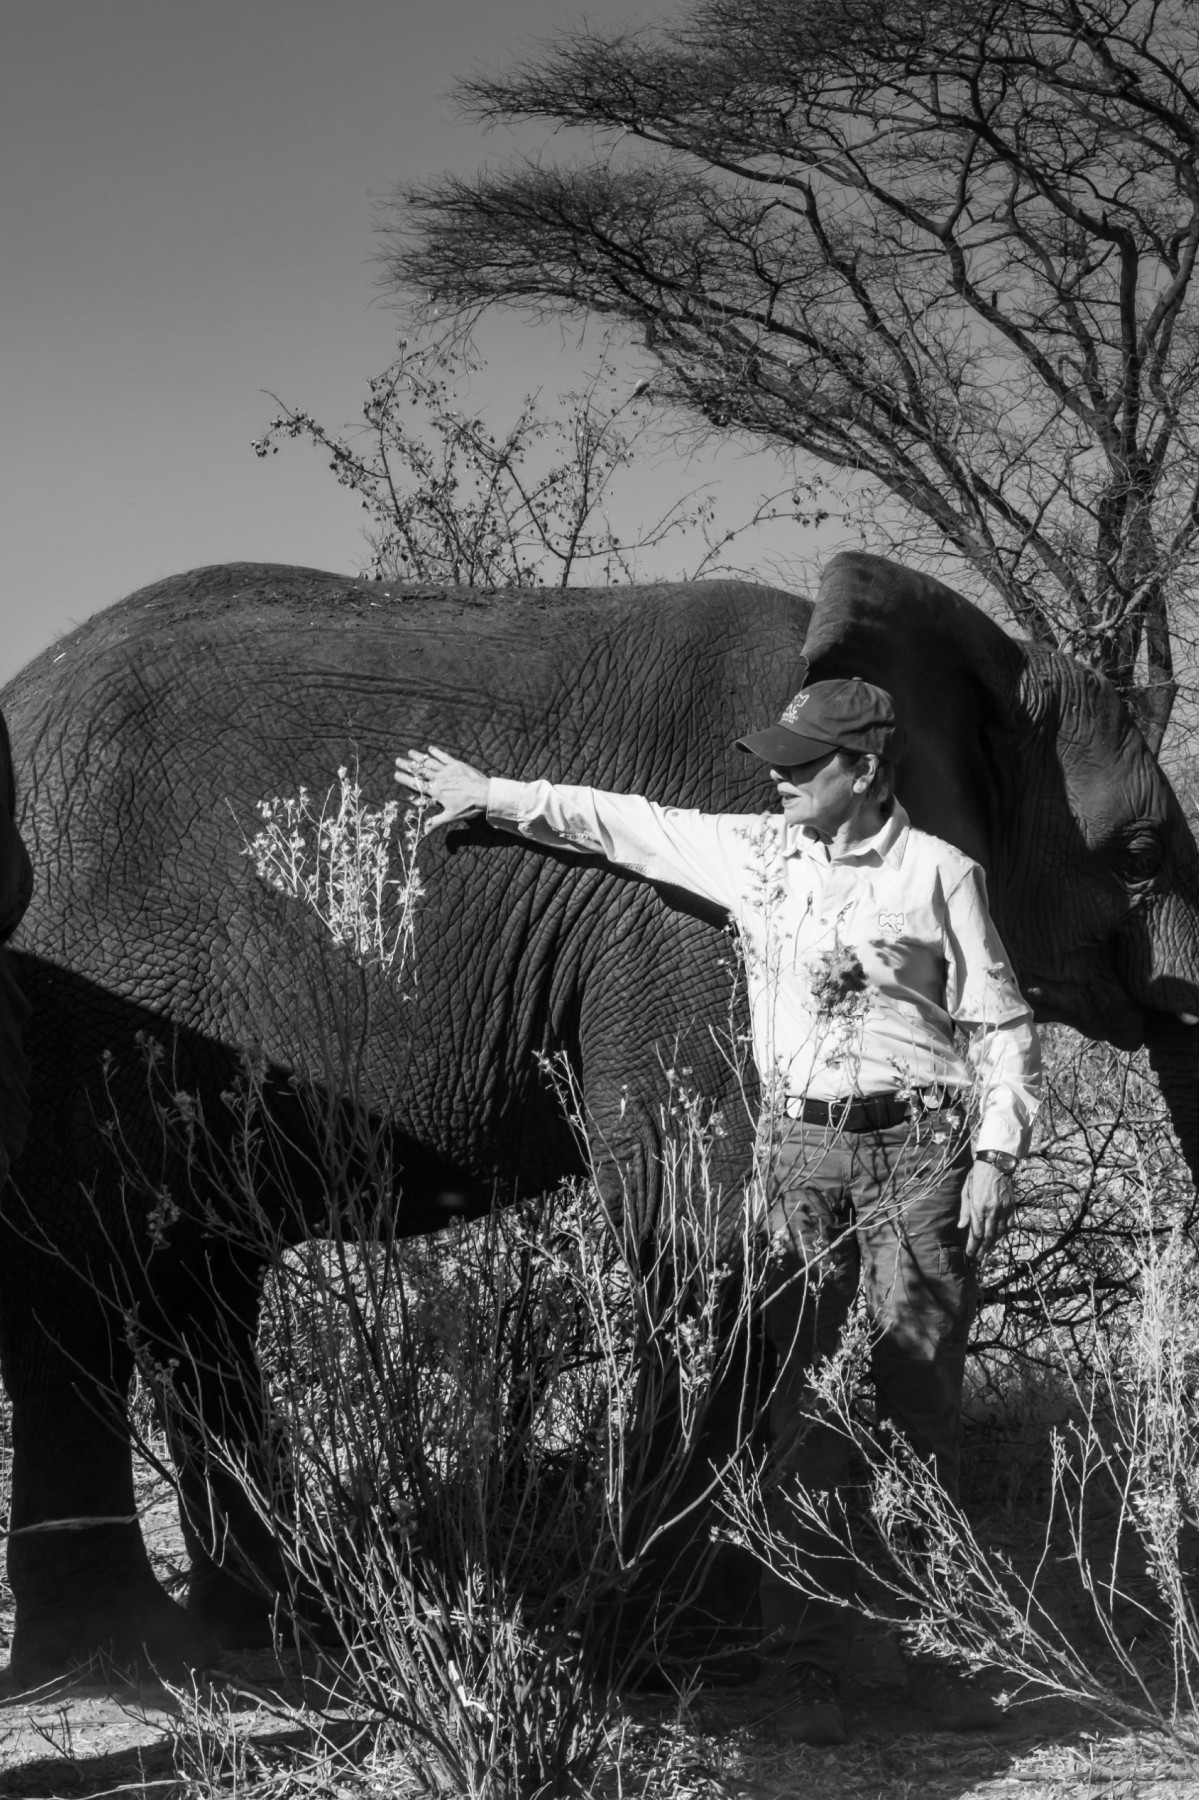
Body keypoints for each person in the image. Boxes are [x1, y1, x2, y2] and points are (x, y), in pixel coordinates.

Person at [394, 675, 1034, 1744]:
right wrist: (491, 793)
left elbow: (1001, 1022)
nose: (779, 775)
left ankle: (934, 1648)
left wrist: (997, 1156)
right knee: (806, 1406)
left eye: (804, 761)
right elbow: (619, 822)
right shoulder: (759, 856)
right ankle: (821, 1660)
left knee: (919, 1397)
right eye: (779, 758)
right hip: (801, 1152)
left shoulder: (941, 875)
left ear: (865, 770)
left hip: (924, 1150)